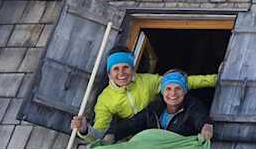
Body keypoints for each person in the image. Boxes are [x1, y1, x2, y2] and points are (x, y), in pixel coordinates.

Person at [71, 48, 219, 141]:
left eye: (126, 67)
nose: (121, 73)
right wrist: (85, 130)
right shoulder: (105, 99)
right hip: (131, 143)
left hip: (160, 135)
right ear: (109, 73)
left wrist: (217, 80)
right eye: (116, 69)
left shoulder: (148, 82)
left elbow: (177, 83)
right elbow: (100, 133)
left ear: (133, 69)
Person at [107, 70, 214, 141]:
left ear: (185, 91)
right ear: (162, 91)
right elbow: (132, 124)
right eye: (168, 89)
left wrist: (206, 127)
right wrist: (112, 134)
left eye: (178, 88)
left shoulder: (192, 107)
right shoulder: (154, 108)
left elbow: (201, 119)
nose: (173, 93)